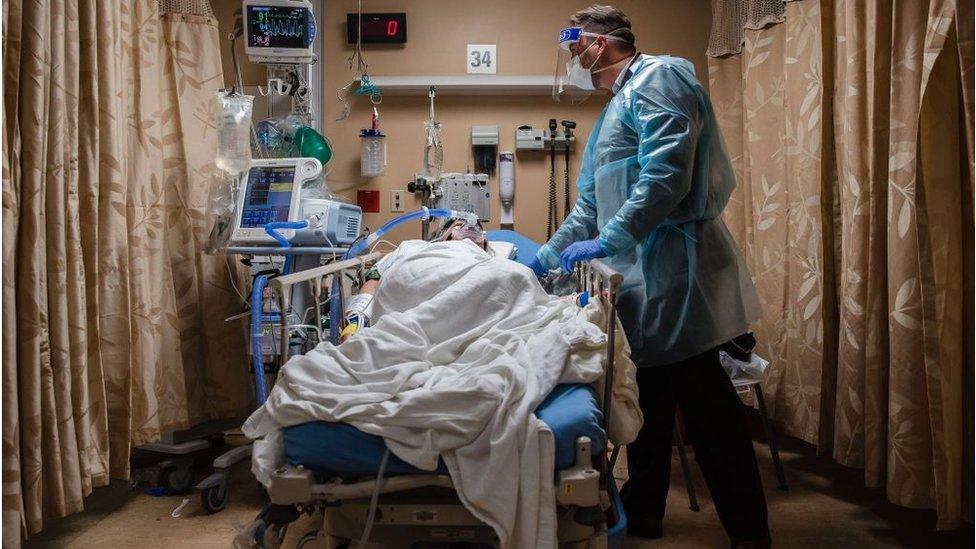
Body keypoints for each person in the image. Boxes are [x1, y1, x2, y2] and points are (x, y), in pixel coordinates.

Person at [529, 5, 770, 547]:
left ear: (599, 44)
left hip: (679, 268)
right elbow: (588, 206)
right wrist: (544, 258)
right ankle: (643, 514)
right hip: (641, 273)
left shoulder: (662, 77)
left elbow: (667, 175)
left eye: (575, 48)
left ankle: (751, 533)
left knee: (708, 407)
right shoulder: (613, 113)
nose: (572, 60)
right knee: (649, 400)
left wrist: (611, 242)